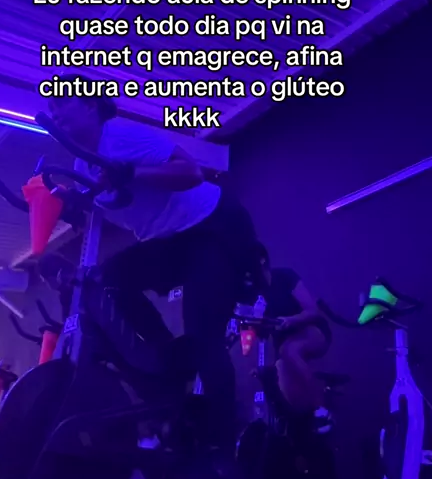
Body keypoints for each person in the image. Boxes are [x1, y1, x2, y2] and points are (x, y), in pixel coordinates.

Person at [47, 78, 259, 459]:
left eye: (63, 102)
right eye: (52, 108)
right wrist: (76, 203)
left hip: (212, 226)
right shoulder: (83, 163)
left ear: (91, 105)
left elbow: (191, 171)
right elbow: (114, 202)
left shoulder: (119, 136)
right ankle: (170, 358)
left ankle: (223, 449)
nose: (55, 111)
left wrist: (133, 173)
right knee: (111, 278)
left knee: (204, 338)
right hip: (171, 240)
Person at [256, 244, 332, 412]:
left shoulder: (285, 276)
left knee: (290, 351)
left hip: (312, 330)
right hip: (282, 345)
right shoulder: (254, 291)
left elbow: (312, 310)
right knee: (282, 372)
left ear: (261, 260)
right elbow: (261, 333)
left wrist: (292, 320)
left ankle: (321, 408)